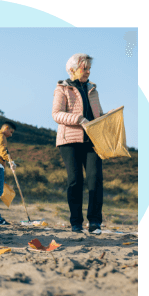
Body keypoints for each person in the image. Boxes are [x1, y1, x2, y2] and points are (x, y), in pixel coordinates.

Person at [52, 53, 110, 235]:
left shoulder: (93, 89)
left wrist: (108, 117)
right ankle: (76, 223)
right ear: (72, 69)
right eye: (84, 68)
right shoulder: (62, 88)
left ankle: (94, 222)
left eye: (89, 68)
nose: (88, 72)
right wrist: (79, 119)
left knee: (95, 179)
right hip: (69, 141)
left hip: (92, 141)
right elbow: (56, 114)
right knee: (75, 181)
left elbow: (97, 113)